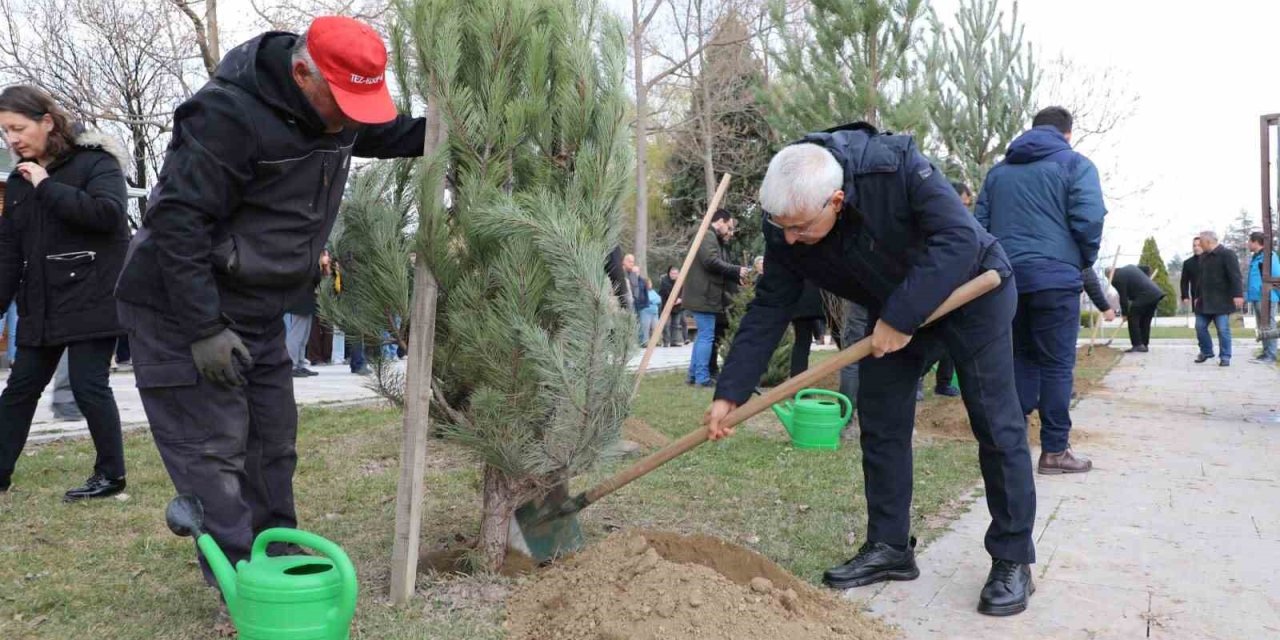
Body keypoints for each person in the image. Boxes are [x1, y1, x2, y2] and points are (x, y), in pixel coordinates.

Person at [113, 17, 428, 588]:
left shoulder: (339, 111)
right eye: (343, 102)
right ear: (302, 73)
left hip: (256, 308)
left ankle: (277, 556)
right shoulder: (225, 117)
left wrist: (467, 131)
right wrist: (203, 328)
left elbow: (396, 133)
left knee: (272, 444)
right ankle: (243, 584)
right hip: (180, 308)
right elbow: (178, 224)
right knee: (214, 450)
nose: (350, 119)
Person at [706, 123, 1036, 616]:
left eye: (800, 228)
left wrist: (902, 317)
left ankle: (1012, 558)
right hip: (892, 308)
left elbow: (958, 239)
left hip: (971, 292)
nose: (790, 239)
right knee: (880, 423)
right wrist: (730, 392)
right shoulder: (786, 220)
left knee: (995, 422)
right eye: (782, 228)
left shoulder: (894, 166)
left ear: (836, 201)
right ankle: (890, 547)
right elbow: (770, 305)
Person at [0, 85, 130, 499]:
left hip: (92, 294)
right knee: (20, 389)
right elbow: (8, 251)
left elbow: (108, 215)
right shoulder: (17, 181)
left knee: (89, 385)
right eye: (5, 131)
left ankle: (111, 475)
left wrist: (46, 185)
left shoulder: (96, 162)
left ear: (47, 122)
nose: (12, 139)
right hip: (41, 302)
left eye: (18, 128)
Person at [976, 106, 1106, 475]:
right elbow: (1089, 219)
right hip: (1055, 278)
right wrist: (1080, 259)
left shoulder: (998, 173)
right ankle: (1054, 450)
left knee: (1019, 358)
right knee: (1056, 364)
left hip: (1005, 280)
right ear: (1068, 134)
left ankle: (1011, 448)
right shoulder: (1076, 165)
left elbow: (978, 226)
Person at [683, 209, 747, 387]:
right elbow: (710, 261)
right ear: (720, 221)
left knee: (702, 336)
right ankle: (702, 378)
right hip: (705, 294)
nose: (729, 231)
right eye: (729, 226)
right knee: (706, 337)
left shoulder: (708, 235)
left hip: (704, 294)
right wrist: (736, 270)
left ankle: (693, 375)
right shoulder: (707, 235)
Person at [1190, 231, 1243, 366]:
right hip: (1204, 300)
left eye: (1201, 242)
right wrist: (1196, 296)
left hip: (1221, 301)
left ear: (1208, 242)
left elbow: (1235, 276)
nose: (1199, 245)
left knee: (1222, 329)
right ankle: (1206, 351)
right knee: (1200, 327)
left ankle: (1225, 356)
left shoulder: (1227, 254)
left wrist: (1238, 295)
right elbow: (1200, 279)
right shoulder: (1203, 257)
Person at [1108, 264, 1165, 353]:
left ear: (1109, 274)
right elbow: (1146, 268)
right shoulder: (1129, 267)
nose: (1109, 280)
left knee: (1132, 316)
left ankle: (1137, 344)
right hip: (1155, 294)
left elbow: (1123, 297)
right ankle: (1144, 345)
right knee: (1145, 320)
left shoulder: (1116, 278)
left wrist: (1125, 314)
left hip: (1145, 295)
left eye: (1108, 278)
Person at [1245, 231, 1279, 363]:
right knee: (1262, 326)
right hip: (1257, 297)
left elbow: (1276, 276)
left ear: (1255, 242)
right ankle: (1266, 352)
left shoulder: (1269, 256)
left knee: (1268, 326)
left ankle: (1271, 355)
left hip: (1267, 297)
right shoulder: (1257, 257)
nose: (1248, 244)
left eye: (1249, 241)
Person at [788, 278, 826, 377]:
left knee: (801, 343)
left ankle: (797, 382)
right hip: (824, 296)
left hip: (800, 297)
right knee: (844, 340)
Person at [657, 266, 686, 347]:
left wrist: (680, 299)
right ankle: (666, 342)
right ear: (669, 273)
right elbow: (665, 292)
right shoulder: (664, 281)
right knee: (666, 324)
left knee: (676, 324)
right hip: (666, 305)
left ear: (678, 274)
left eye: (675, 273)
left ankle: (674, 341)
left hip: (677, 306)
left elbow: (683, 291)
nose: (674, 275)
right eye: (672, 273)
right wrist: (674, 300)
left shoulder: (681, 281)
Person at [1180, 236, 1202, 310]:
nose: (1196, 248)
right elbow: (1184, 281)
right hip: (1196, 298)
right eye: (1194, 246)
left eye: (1199, 245)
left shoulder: (1212, 260)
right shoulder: (1188, 263)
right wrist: (1185, 296)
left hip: (1213, 298)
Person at [638, 279, 661, 346]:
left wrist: (651, 301)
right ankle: (644, 342)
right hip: (645, 312)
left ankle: (656, 342)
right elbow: (645, 300)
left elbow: (659, 299)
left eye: (650, 283)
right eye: (648, 283)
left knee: (655, 327)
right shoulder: (642, 292)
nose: (649, 285)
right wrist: (652, 301)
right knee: (645, 327)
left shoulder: (653, 291)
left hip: (654, 312)